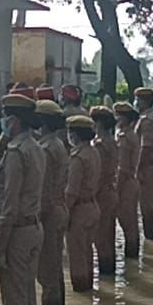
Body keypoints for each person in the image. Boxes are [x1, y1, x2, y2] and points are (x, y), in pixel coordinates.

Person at [0, 91, 47, 305]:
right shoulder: (36, 146)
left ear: (14, 120)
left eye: (6, 118)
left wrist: (1, 245)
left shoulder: (16, 152)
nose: (3, 123)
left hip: (16, 231)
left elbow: (10, 203)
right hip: (34, 228)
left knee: (14, 301)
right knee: (26, 295)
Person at [35, 100, 69, 305]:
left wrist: (38, 219)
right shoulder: (57, 144)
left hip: (49, 212)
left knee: (47, 271)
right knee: (55, 268)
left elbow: (44, 190)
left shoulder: (47, 149)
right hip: (59, 208)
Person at [65, 114, 101, 293]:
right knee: (87, 251)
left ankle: (81, 292)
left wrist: (65, 213)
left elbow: (72, 191)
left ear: (75, 135)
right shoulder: (94, 152)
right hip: (92, 206)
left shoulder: (77, 158)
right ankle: (90, 290)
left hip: (79, 210)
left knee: (77, 256)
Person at [90, 105, 119, 277]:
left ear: (99, 123)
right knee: (109, 235)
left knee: (101, 238)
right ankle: (111, 273)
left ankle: (105, 274)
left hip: (102, 193)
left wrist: (92, 195)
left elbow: (98, 175)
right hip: (111, 191)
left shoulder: (100, 145)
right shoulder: (112, 142)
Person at [113, 100, 142, 258]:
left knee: (127, 223)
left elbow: (122, 168)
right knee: (131, 223)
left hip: (125, 184)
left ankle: (131, 256)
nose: (116, 119)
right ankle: (133, 257)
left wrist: (116, 191)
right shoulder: (129, 135)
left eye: (119, 116)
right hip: (131, 181)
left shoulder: (125, 137)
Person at [135, 87, 153, 241]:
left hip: (146, 167)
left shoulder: (147, 120)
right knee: (149, 204)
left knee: (147, 206)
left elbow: (146, 146)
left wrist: (138, 168)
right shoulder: (152, 117)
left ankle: (151, 238)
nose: (136, 103)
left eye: (138, 100)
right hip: (151, 165)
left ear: (144, 101)